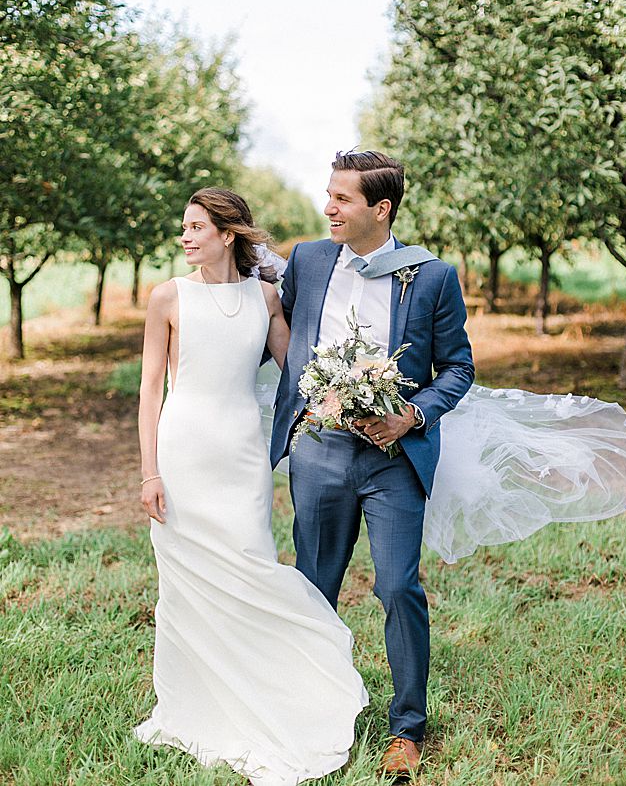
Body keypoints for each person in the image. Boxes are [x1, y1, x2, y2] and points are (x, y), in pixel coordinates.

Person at [135, 188, 367, 786]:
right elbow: (149, 395)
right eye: (183, 228)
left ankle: (289, 679)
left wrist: (355, 387)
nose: (185, 237)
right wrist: (149, 473)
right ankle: (198, 705)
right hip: (182, 453)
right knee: (186, 584)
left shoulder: (265, 297)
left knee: (250, 566)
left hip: (241, 456)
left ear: (228, 233)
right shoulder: (167, 297)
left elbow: (300, 372)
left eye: (195, 227)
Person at [269, 149, 474, 778]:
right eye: (327, 194)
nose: (328, 207)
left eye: (342, 198)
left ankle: (407, 728)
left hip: (393, 459)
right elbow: (281, 324)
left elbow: (459, 369)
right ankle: (313, 708)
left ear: (379, 209)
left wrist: (410, 416)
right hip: (321, 454)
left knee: (396, 586)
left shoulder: (431, 277)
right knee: (314, 585)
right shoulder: (306, 260)